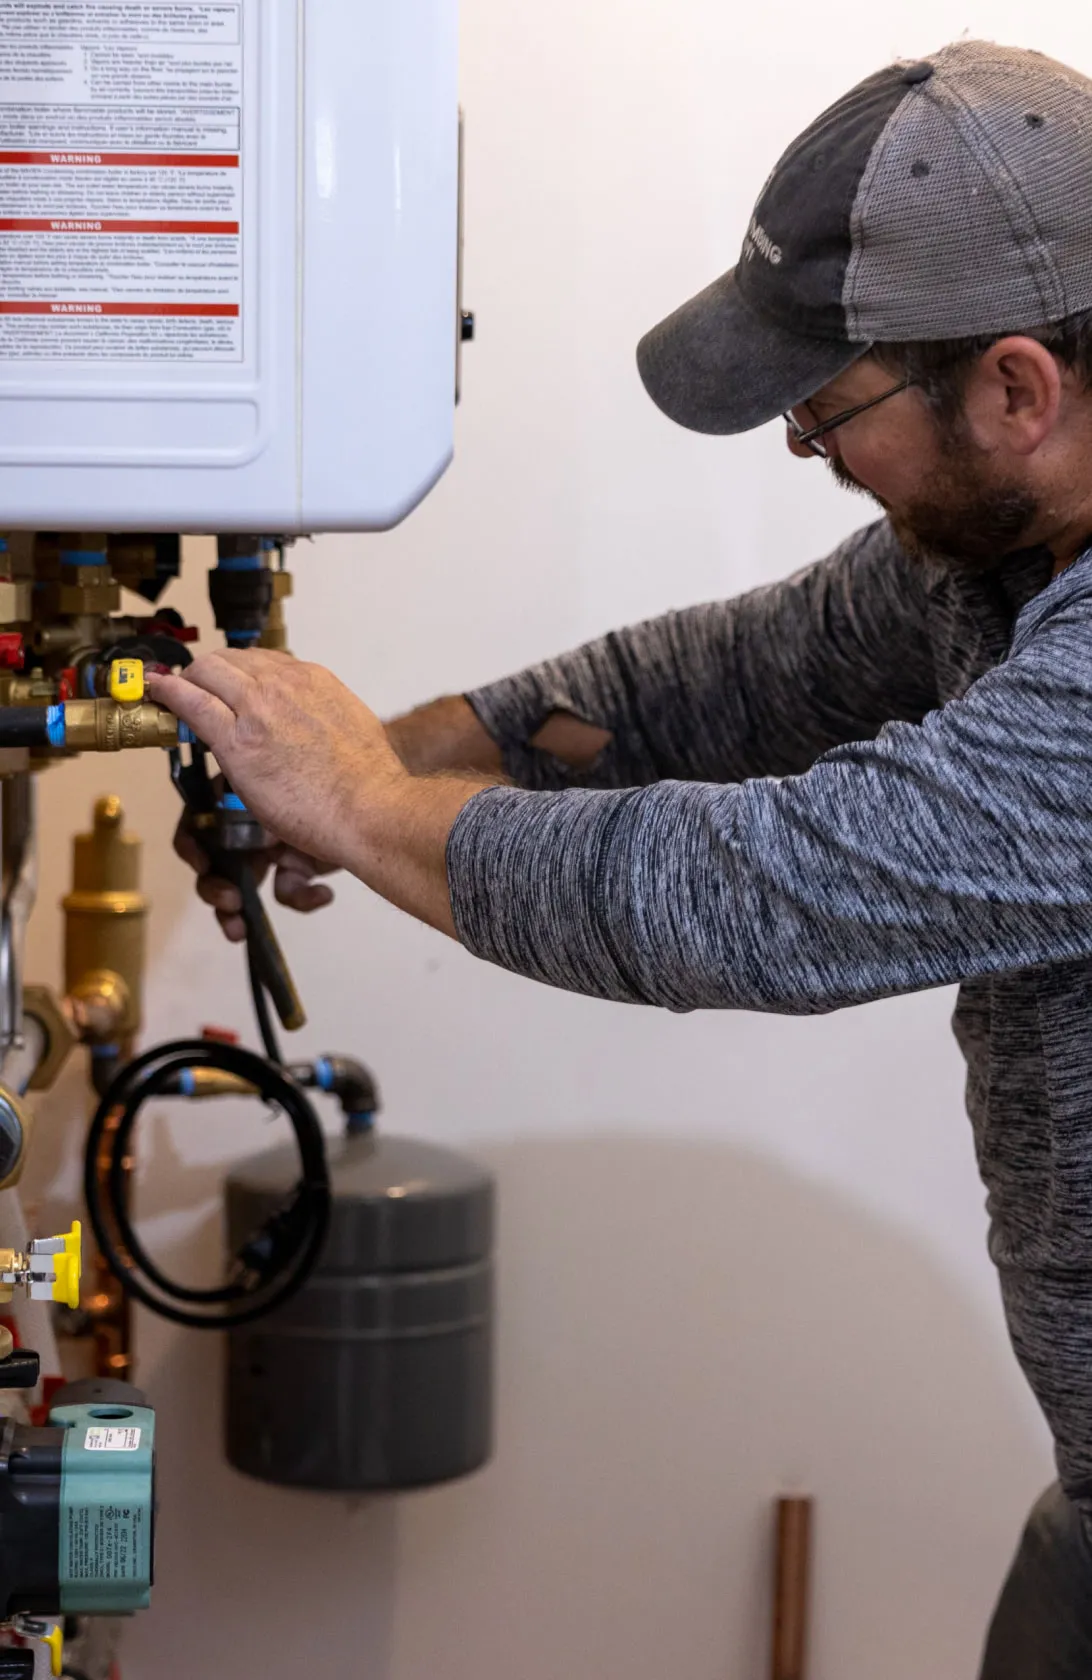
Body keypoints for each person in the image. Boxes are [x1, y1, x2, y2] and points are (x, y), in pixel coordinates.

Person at [151, 39, 1092, 1678]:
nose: (821, 462)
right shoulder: (1004, 552)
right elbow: (711, 685)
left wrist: (367, 808)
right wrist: (359, 753)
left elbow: (770, 894)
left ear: (1016, 389)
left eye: (826, 421)